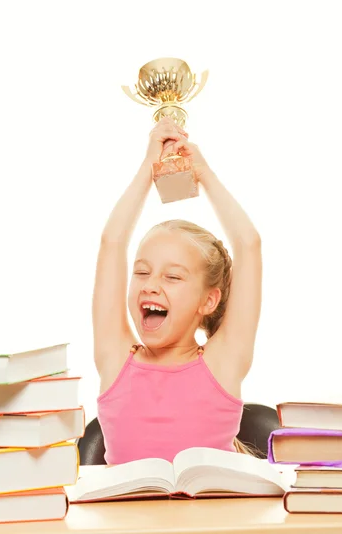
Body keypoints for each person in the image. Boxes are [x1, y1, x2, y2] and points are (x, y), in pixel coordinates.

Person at [93, 116, 262, 465]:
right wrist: (148, 168)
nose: (150, 285)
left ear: (209, 300)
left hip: (211, 520)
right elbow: (112, 243)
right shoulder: (115, 356)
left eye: (173, 277)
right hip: (126, 521)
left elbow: (249, 245)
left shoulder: (223, 361)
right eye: (142, 272)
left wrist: (203, 172)